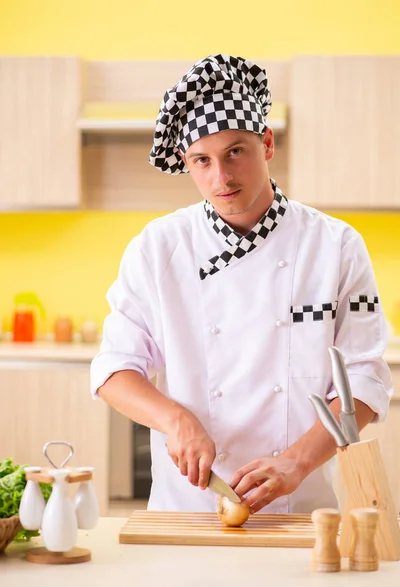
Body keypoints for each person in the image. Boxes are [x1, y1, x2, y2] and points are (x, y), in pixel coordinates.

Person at [90, 54, 392, 514]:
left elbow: (365, 381)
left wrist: (296, 460)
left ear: (266, 143)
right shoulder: (158, 247)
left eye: (235, 152)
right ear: (186, 163)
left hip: (300, 507)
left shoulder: (336, 246)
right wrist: (176, 419)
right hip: (186, 507)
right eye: (202, 160)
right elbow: (113, 368)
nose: (221, 177)